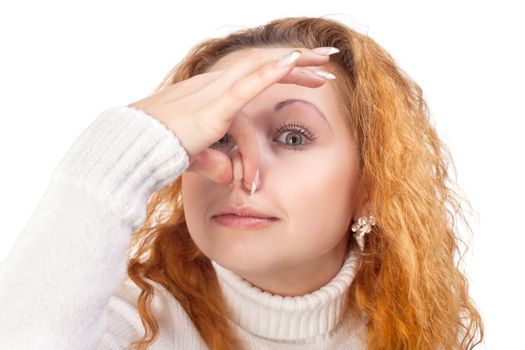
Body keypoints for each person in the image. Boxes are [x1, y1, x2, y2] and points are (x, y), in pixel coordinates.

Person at [0, 16, 484, 349]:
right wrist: (114, 151)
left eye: (293, 137)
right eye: (220, 137)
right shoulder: (126, 323)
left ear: (372, 184)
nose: (242, 171)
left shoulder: (420, 329)